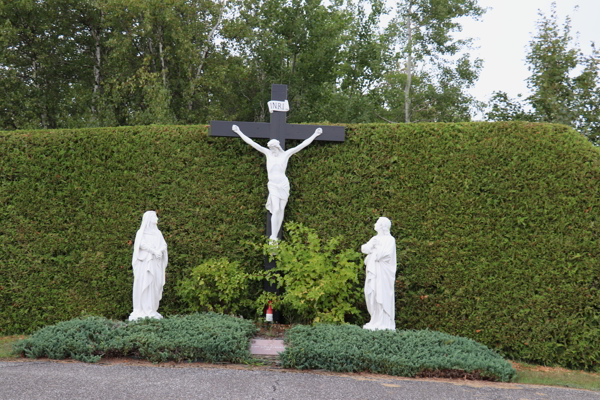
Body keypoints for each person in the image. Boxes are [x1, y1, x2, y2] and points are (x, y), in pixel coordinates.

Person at [232, 124, 322, 240]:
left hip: (283, 184)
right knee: (276, 209)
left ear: (277, 147)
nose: (272, 150)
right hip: (273, 185)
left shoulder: (286, 154)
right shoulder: (268, 153)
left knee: (281, 210)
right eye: (270, 148)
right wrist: (239, 132)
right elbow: (252, 143)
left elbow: (303, 144)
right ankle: (273, 236)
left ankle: (275, 235)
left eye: (273, 148)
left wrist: (315, 134)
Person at [129, 211, 168, 321]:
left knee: (154, 285)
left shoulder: (158, 233)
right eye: (155, 217)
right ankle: (141, 309)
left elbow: (164, 244)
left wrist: (159, 251)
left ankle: (151, 309)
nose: (157, 219)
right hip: (145, 263)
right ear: (149, 218)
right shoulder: (141, 232)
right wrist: (154, 251)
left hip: (155, 263)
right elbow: (141, 245)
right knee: (144, 284)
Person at [362, 217, 396, 330]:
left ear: (382, 226)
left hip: (383, 273)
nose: (375, 224)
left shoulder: (390, 240)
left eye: (377, 222)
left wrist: (374, 249)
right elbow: (364, 248)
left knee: (382, 294)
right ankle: (375, 320)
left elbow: (385, 255)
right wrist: (372, 246)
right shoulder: (375, 238)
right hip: (373, 272)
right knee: (371, 293)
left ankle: (384, 323)